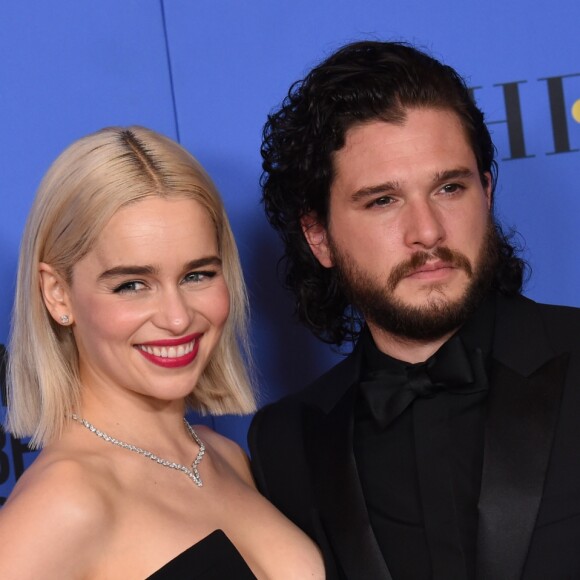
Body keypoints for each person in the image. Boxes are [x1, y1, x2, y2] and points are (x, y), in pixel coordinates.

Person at [248, 40, 580, 580]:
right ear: (319, 236)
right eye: (383, 200)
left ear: (487, 194)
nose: (426, 231)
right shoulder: (286, 442)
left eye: (450, 187)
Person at [0, 126, 324, 579]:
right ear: (58, 294)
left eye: (197, 275)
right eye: (132, 285)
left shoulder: (224, 456)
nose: (177, 318)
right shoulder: (64, 501)